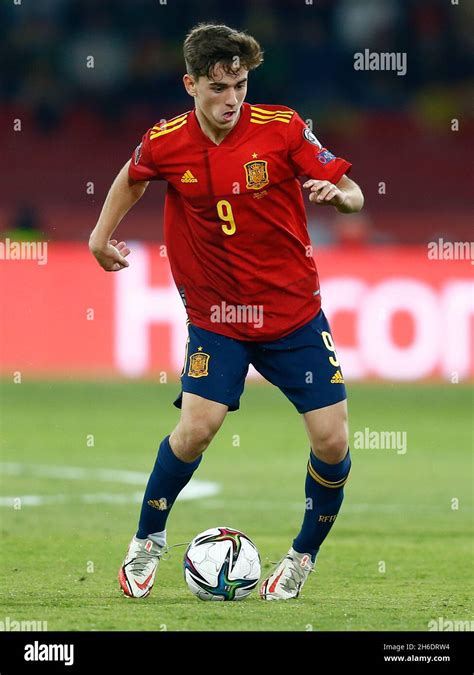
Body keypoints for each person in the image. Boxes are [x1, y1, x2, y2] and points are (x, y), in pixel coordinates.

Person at [89, 22, 364, 601]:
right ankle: (147, 541)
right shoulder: (166, 140)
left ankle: (300, 558)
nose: (232, 99)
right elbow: (132, 178)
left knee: (333, 442)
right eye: (218, 88)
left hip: (293, 315)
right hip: (218, 316)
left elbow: (354, 191)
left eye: (240, 84)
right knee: (196, 429)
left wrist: (340, 197)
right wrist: (99, 237)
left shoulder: (283, 128)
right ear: (190, 84)